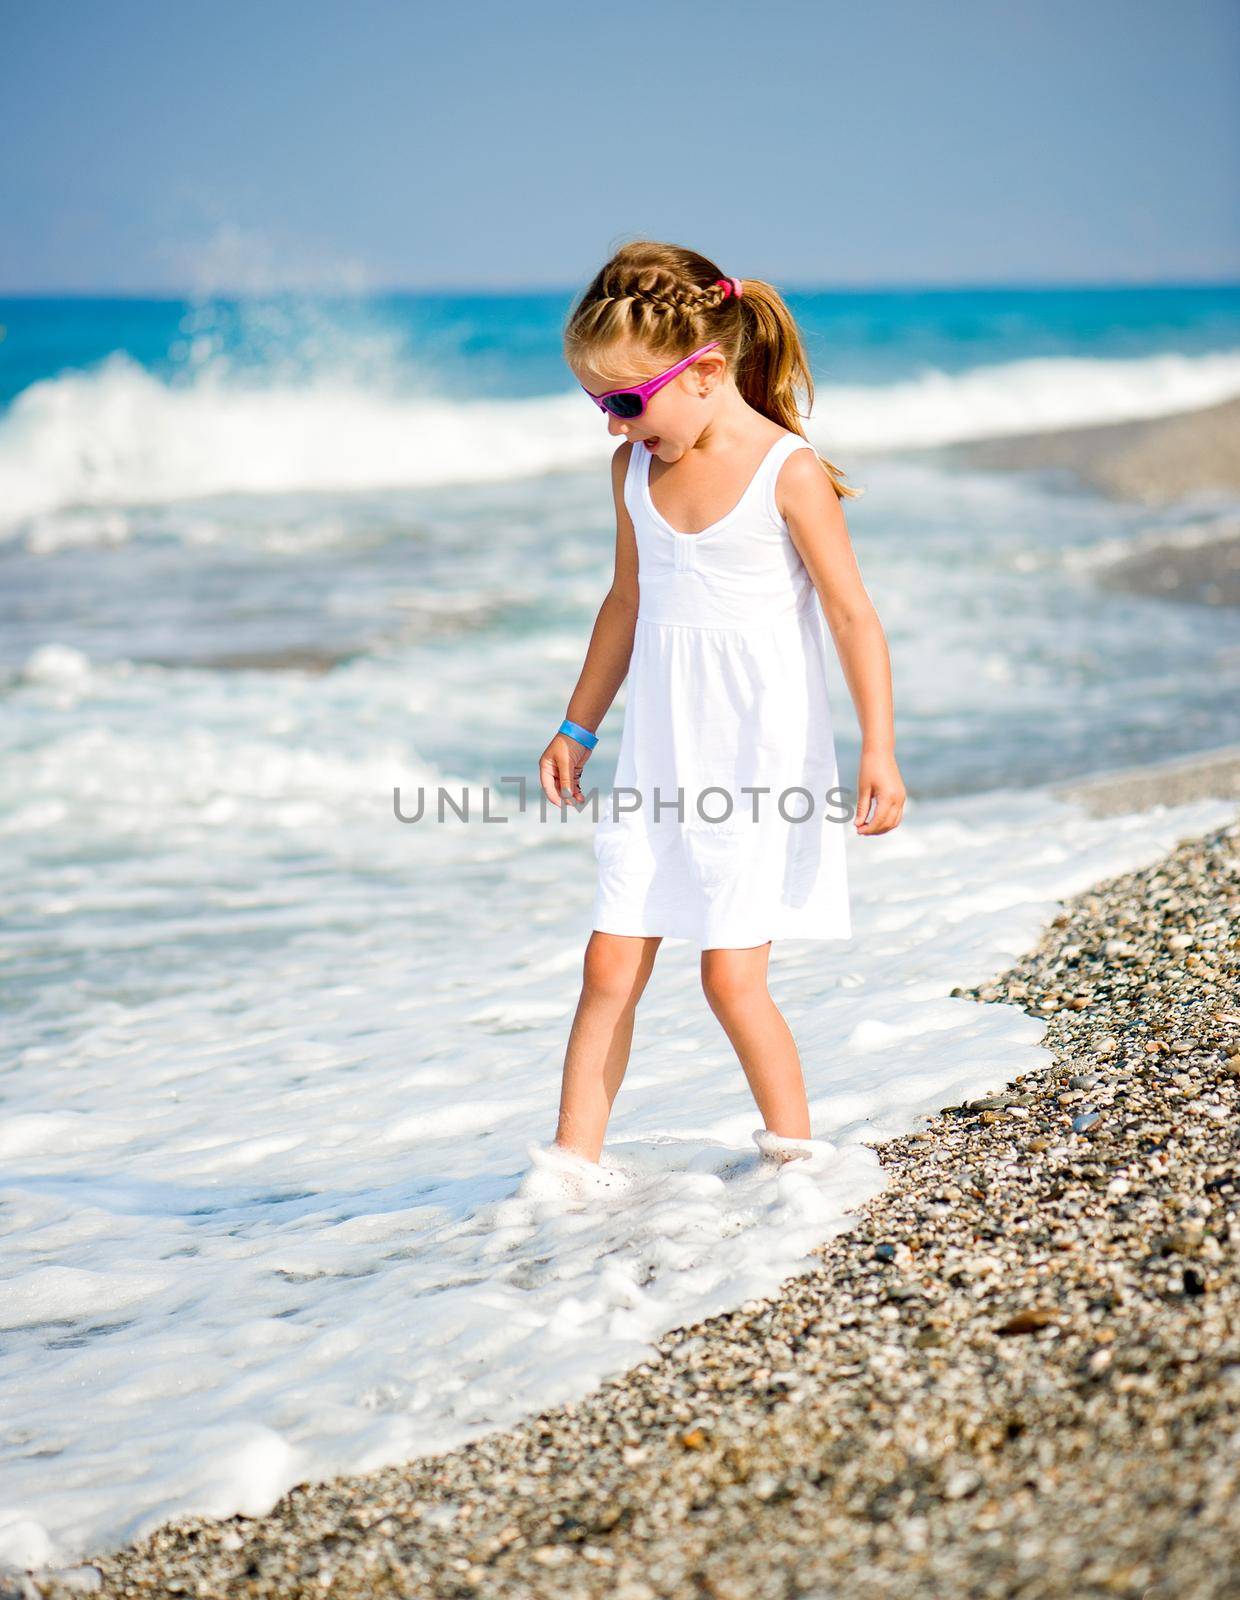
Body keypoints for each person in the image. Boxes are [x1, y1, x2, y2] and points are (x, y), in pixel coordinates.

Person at [538, 239, 905, 1174]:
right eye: (597, 404)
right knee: (607, 965)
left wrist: (879, 752)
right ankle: (569, 1173)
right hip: (659, 761)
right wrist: (578, 724)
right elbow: (625, 605)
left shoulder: (789, 471)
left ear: (703, 373)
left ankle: (798, 1165)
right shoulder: (631, 476)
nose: (614, 428)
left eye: (625, 402)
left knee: (729, 978)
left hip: (757, 763)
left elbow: (853, 616)